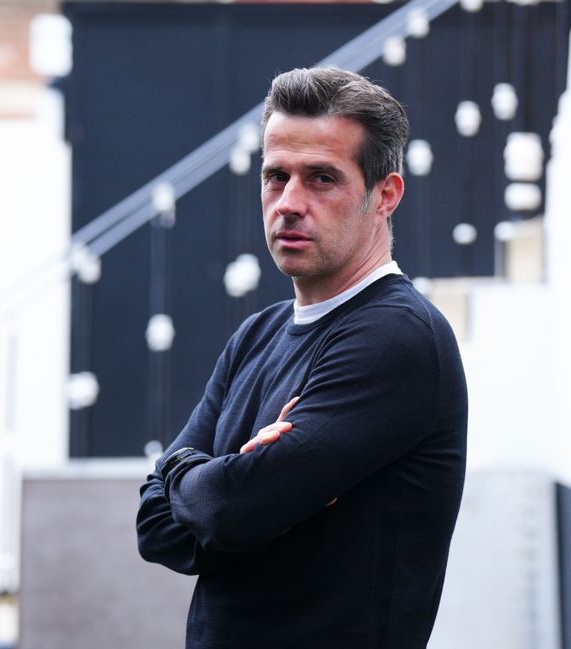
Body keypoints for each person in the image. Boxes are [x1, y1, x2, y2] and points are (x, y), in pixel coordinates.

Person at [137, 67, 467, 649]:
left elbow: (229, 511)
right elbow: (155, 529)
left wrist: (195, 477)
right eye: (275, 177)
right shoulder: (258, 333)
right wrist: (223, 484)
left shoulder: (396, 338)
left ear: (384, 195)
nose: (289, 203)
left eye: (321, 179)